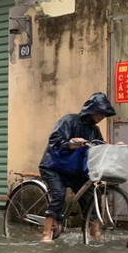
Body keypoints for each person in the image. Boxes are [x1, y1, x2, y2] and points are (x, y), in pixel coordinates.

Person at [38, 92, 117, 243]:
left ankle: (94, 233)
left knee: (91, 198)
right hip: (55, 167)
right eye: (100, 112)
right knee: (58, 196)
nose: (102, 117)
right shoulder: (69, 121)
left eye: (104, 114)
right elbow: (55, 140)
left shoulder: (95, 131)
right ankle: (46, 233)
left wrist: (113, 148)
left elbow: (99, 148)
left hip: (76, 171)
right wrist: (70, 143)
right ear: (92, 110)